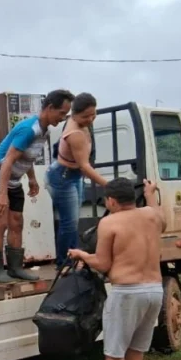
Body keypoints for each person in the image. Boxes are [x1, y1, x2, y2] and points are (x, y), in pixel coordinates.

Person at [67, 178, 165, 360]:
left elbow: (102, 263)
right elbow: (160, 218)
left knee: (114, 353)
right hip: (155, 290)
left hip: (127, 292)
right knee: (136, 349)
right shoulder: (152, 216)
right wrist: (150, 193)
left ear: (111, 200)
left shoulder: (109, 222)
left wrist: (82, 255)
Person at [0, 89, 74, 283]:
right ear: (50, 108)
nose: (63, 118)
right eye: (61, 113)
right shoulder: (29, 130)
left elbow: (26, 156)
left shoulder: (45, 131)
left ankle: (15, 268)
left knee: (17, 222)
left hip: (13, 181)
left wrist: (31, 178)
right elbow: (8, 161)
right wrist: (2, 194)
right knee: (1, 224)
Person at [46, 92, 108, 268]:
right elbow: (85, 166)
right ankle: (64, 262)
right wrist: (108, 185)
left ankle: (73, 258)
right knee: (69, 222)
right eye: (85, 116)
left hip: (73, 174)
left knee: (73, 220)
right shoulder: (75, 133)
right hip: (63, 176)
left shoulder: (82, 124)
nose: (90, 119)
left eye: (93, 114)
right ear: (74, 114)